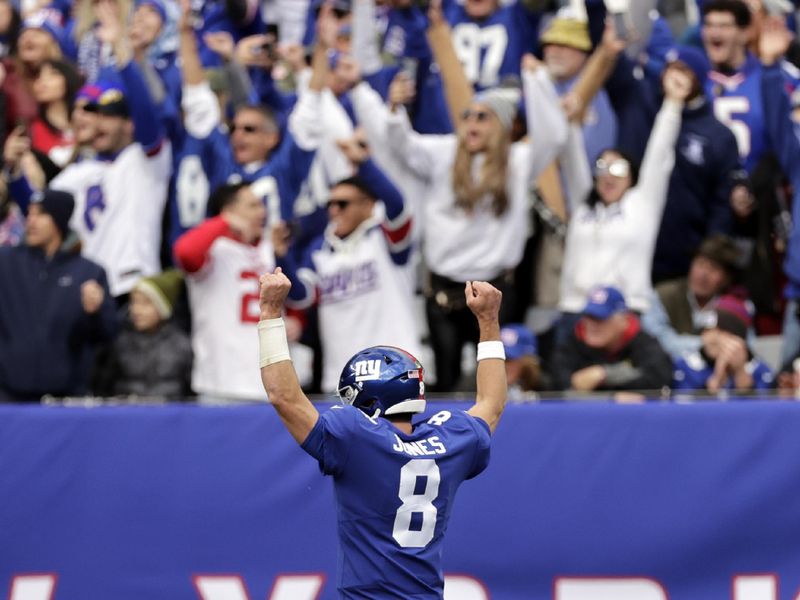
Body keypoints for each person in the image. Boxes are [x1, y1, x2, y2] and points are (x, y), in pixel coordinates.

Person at [258, 268, 507, 598]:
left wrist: (270, 313)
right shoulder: (452, 438)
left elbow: (283, 396)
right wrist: (489, 321)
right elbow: (491, 404)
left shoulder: (356, 436)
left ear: (371, 401)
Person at [5, 2, 171, 298]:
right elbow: (39, 206)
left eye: (111, 115)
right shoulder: (80, 173)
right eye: (95, 115)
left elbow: (147, 116)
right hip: (90, 294)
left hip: (136, 288)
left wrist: (122, 54)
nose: (100, 122)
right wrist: (14, 171)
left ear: (127, 123)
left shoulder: (147, 161)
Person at [556, 63, 693, 338]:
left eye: (618, 170)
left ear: (631, 176)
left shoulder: (642, 206)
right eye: (602, 168)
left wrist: (673, 104)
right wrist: (569, 122)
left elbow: (659, 153)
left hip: (626, 311)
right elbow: (571, 158)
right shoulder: (584, 205)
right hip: (574, 311)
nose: (608, 176)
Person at [279, 135, 420, 393]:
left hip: (396, 371)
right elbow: (302, 297)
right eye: (330, 204)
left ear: (368, 206)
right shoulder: (319, 250)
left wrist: (365, 164)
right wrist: (281, 256)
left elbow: (398, 205)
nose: (334, 211)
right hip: (342, 377)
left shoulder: (386, 239)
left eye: (343, 203)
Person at [174, 182, 310, 401]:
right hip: (222, 382)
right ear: (229, 211)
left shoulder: (269, 248)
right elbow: (185, 253)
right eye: (253, 205)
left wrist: (296, 320)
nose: (262, 212)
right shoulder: (214, 249)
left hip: (273, 383)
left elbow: (300, 298)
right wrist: (224, 222)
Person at [0, 189, 117, 402]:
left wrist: (96, 313)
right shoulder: (5, 262)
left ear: (59, 219)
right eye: (30, 213)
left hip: (65, 399)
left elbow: (107, 334)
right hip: (8, 397)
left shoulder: (89, 272)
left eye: (41, 214)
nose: (31, 221)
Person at [551, 286, 673, 393]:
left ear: (623, 320)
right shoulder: (573, 341)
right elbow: (559, 382)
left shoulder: (642, 342)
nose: (592, 325)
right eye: (589, 317)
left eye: (600, 319)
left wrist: (604, 375)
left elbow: (659, 378)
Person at [95, 269, 193, 398]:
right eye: (134, 302)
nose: (136, 310)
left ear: (162, 308)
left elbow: (190, 392)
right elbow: (103, 387)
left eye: (146, 303)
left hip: (169, 416)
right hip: (128, 415)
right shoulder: (119, 343)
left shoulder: (181, 345)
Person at [643, 234, 743, 359]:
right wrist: (703, 343)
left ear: (726, 278)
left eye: (713, 269)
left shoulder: (734, 307)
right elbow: (655, 341)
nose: (703, 274)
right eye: (700, 264)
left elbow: (746, 348)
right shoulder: (665, 295)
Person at [673, 294, 774, 393]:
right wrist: (717, 380)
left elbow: (762, 407)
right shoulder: (687, 366)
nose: (710, 338)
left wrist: (740, 374)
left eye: (720, 332)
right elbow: (682, 406)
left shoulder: (758, 370)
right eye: (707, 330)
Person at [500, 323, 544, 397]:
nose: (504, 365)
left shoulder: (545, 387)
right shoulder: (477, 383)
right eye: (499, 359)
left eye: (509, 359)